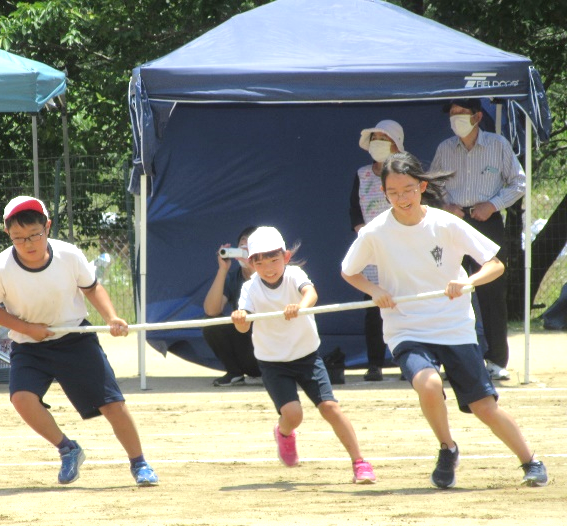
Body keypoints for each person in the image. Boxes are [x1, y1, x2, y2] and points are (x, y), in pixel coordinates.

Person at [341, 152, 548, 488]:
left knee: (484, 406)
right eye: (393, 192)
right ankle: (447, 448)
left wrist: (468, 282)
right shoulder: (375, 232)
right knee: (429, 384)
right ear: (384, 193)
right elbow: (349, 271)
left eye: (408, 190)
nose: (401, 198)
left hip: (454, 326)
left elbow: (495, 264)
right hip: (406, 326)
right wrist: (374, 289)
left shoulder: (445, 223)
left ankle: (531, 461)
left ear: (422, 187)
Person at [0, 196, 159, 487]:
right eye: (18, 237)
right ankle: (67, 448)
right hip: (29, 345)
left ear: (47, 227)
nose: (28, 243)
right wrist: (27, 328)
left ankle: (140, 463)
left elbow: (92, 287)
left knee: (112, 404)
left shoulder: (69, 255)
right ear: (8, 234)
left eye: (34, 234)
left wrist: (112, 317)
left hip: (75, 338)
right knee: (21, 398)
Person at [230, 226, 377, 484]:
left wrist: (299, 307)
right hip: (273, 362)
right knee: (293, 415)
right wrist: (240, 318)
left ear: (286, 257)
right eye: (260, 263)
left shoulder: (294, 275)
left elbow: (311, 293)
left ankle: (360, 462)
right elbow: (243, 327)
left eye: (274, 260)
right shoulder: (249, 288)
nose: (268, 268)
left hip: (307, 356)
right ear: (251, 264)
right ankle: (284, 433)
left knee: (330, 407)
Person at [430, 98, 525, 381]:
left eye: (462, 112)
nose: (456, 117)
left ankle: (496, 360)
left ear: (478, 116)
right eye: (452, 113)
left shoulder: (498, 145)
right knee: (450, 288)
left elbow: (519, 182)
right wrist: (446, 206)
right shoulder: (445, 148)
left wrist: (493, 205)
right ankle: (452, 359)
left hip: (487, 221)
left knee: (491, 291)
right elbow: (432, 184)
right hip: (453, 223)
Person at [349, 119, 405, 381]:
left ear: (396, 144)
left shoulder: (405, 172)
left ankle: (409, 362)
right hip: (372, 249)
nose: (379, 144)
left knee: (405, 306)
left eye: (384, 139)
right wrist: (364, 233)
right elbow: (354, 210)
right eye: (376, 139)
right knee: (373, 308)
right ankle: (374, 363)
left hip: (403, 247)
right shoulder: (361, 174)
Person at [202, 225, 263, 387]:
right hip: (247, 349)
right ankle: (235, 373)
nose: (244, 252)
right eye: (242, 246)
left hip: (272, 348)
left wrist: (254, 267)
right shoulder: (232, 277)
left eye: (249, 247)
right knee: (211, 323)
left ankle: (275, 374)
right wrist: (222, 270)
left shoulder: (272, 274)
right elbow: (211, 311)